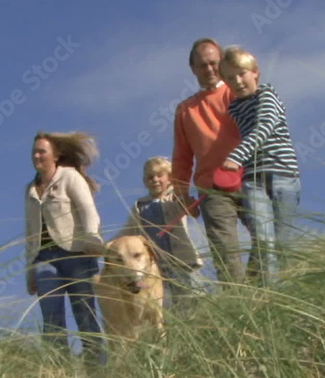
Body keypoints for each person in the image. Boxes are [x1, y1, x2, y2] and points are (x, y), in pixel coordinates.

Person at [171, 37, 253, 284]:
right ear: (193, 69)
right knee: (226, 257)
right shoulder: (186, 110)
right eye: (203, 65)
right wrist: (182, 195)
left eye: (213, 63)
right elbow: (182, 157)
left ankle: (260, 289)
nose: (209, 69)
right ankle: (239, 305)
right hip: (213, 190)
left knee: (269, 240)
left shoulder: (238, 92)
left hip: (250, 179)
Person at [218, 46, 301, 283]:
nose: (238, 81)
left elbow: (264, 127)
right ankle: (273, 297)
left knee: (283, 241)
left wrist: (236, 156)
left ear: (255, 72)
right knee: (264, 242)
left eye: (242, 74)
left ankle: (288, 292)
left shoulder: (267, 93)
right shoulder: (234, 108)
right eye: (230, 78)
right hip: (253, 180)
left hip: (282, 174)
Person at [24, 131, 107, 365]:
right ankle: (59, 374)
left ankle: (97, 371)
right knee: (51, 318)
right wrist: (29, 269)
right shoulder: (30, 190)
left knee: (85, 314)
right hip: (44, 259)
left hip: (77, 255)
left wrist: (92, 238)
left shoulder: (69, 177)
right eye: (34, 152)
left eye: (42, 151)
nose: (37, 156)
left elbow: (87, 210)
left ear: (56, 155)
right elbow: (30, 233)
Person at [118, 156, 203, 305]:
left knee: (192, 298)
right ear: (145, 182)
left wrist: (186, 199)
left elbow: (191, 211)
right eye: (150, 177)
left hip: (182, 261)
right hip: (157, 266)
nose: (155, 180)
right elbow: (128, 230)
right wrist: (110, 245)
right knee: (165, 303)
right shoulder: (140, 206)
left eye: (159, 175)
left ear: (169, 178)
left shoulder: (175, 197)